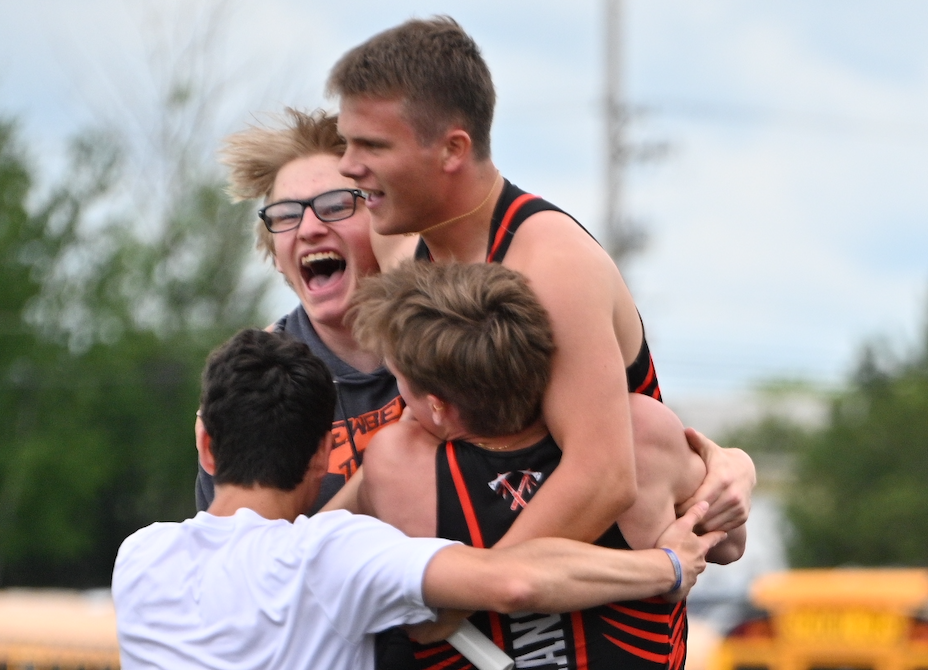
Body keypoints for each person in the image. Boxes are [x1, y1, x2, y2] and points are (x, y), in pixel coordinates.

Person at [329, 15, 754, 549]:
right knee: (395, 453)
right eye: (345, 143)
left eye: (371, 146)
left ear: (453, 150)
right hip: (492, 592)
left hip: (598, 607)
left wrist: (469, 589)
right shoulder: (399, 244)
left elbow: (603, 479)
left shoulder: (553, 265)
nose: (346, 166)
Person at [112, 328, 725, 670]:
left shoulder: (139, 560)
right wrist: (666, 567)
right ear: (325, 455)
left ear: (205, 444)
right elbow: (514, 583)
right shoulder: (333, 556)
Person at [348, 261, 746, 669]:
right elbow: (731, 543)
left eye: (399, 381)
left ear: (436, 405)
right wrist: (732, 466)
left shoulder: (400, 465)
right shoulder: (640, 433)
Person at [194, 109, 418, 512]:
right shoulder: (257, 385)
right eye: (286, 215)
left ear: (387, 223)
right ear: (276, 256)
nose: (309, 228)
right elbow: (247, 560)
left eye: (335, 205)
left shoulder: (454, 334)